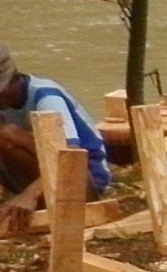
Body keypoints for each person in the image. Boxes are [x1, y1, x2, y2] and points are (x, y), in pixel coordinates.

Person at [0, 44, 112, 227]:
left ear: (12, 80)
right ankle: (34, 199)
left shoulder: (46, 96)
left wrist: (29, 195)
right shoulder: (4, 105)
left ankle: (34, 197)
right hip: (43, 176)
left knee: (7, 135)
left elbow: (70, 155)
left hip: (83, 179)